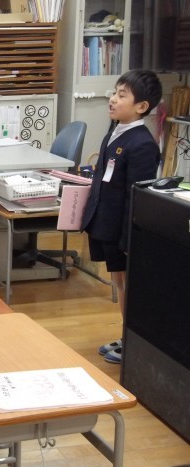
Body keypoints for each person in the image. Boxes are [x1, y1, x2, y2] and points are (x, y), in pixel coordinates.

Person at [81, 69, 162, 364]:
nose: (113, 99)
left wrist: (129, 240)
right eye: (114, 93)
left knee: (129, 286)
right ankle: (126, 334)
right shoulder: (115, 132)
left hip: (122, 231)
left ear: (141, 106)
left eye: (122, 95)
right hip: (107, 224)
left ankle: (133, 341)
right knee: (119, 282)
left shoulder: (142, 144)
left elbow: (136, 197)